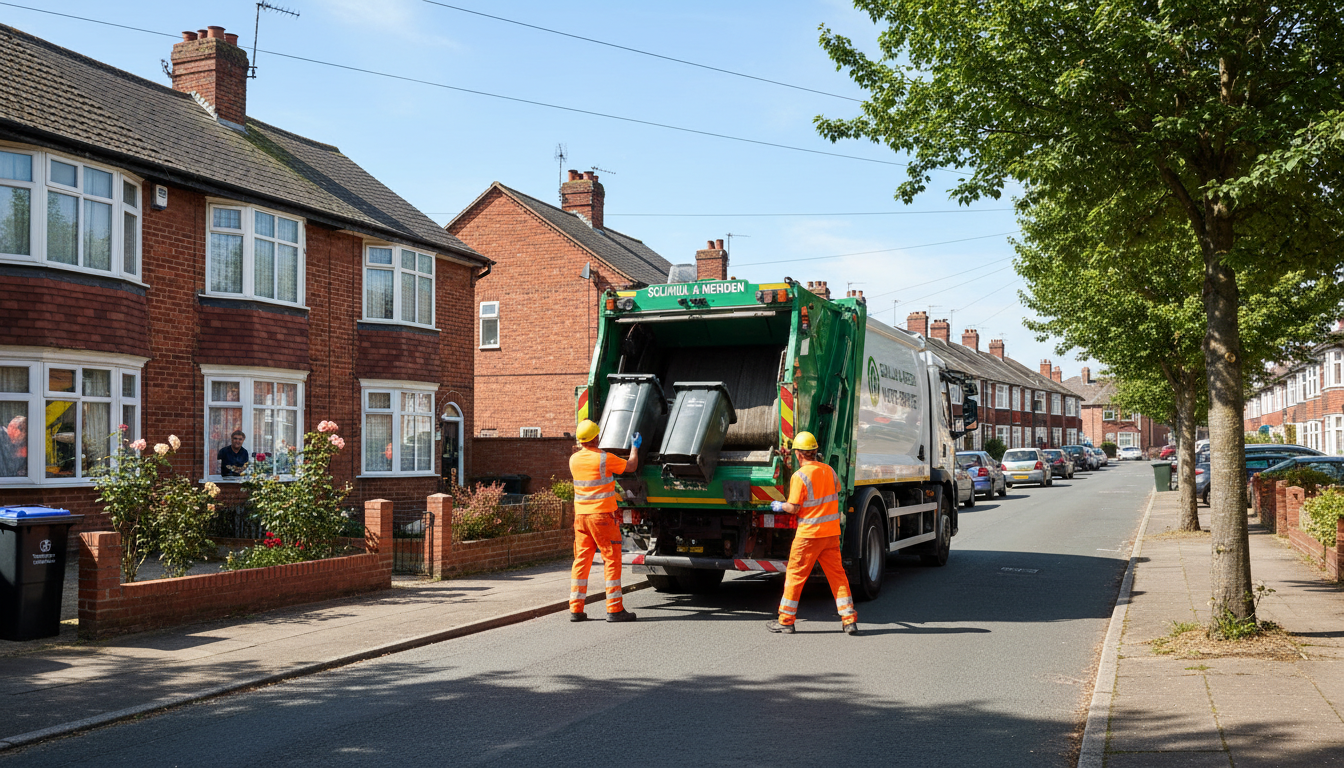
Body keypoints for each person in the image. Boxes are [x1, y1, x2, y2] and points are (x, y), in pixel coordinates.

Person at [767, 431, 859, 635]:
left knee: (795, 576)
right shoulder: (830, 471)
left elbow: (794, 507)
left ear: (799, 454)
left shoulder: (799, 477)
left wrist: (780, 505)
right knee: (838, 576)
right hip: (831, 535)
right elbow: (836, 490)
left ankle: (786, 621)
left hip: (808, 536)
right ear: (815, 452)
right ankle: (849, 620)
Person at [569, 419, 641, 623]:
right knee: (611, 559)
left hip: (581, 518)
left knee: (581, 561)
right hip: (602, 518)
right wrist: (635, 448)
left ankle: (576, 609)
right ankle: (615, 609)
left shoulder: (573, 460)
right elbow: (631, 466)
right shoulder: (604, 458)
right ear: (596, 437)